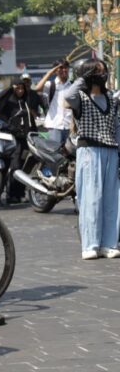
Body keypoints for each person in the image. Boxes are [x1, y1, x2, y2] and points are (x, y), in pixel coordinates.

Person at [62, 60, 120, 259]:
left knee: (113, 199)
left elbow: (117, 126)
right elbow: (67, 96)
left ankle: (109, 243)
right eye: (97, 71)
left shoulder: (111, 98)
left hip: (111, 150)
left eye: (103, 71)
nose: (102, 75)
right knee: (91, 198)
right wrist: (82, 79)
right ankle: (90, 244)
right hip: (90, 151)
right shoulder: (80, 97)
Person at [0, 79, 37, 202]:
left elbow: (30, 120)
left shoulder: (25, 102)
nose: (20, 91)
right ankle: (11, 194)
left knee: (24, 167)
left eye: (22, 88)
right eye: (17, 88)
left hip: (26, 140)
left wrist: (35, 134)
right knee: (15, 166)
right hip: (13, 139)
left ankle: (19, 194)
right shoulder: (7, 102)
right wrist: (10, 89)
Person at [34, 59, 72, 144]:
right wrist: (49, 73)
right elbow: (37, 89)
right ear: (55, 70)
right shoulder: (50, 85)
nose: (64, 70)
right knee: (54, 150)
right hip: (54, 125)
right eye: (61, 68)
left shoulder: (72, 85)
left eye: (66, 67)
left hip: (69, 126)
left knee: (70, 151)